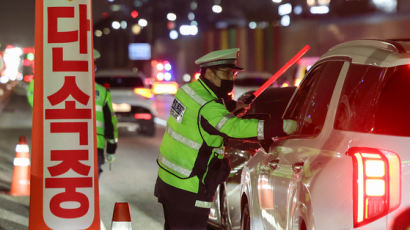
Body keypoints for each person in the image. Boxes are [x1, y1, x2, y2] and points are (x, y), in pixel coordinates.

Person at [154, 48, 286, 230]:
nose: (231, 78)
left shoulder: (188, 91)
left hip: (169, 180)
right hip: (190, 185)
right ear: (209, 72)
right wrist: (281, 126)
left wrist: (233, 106)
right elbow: (233, 128)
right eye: (226, 73)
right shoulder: (208, 106)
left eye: (233, 73)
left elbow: (205, 115)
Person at [26, 49, 118, 178]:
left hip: (63, 144)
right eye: (93, 64)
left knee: (65, 183)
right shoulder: (101, 92)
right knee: (89, 188)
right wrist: (111, 148)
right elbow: (110, 122)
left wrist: (44, 73)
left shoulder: (57, 87)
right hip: (93, 145)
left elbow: (35, 101)